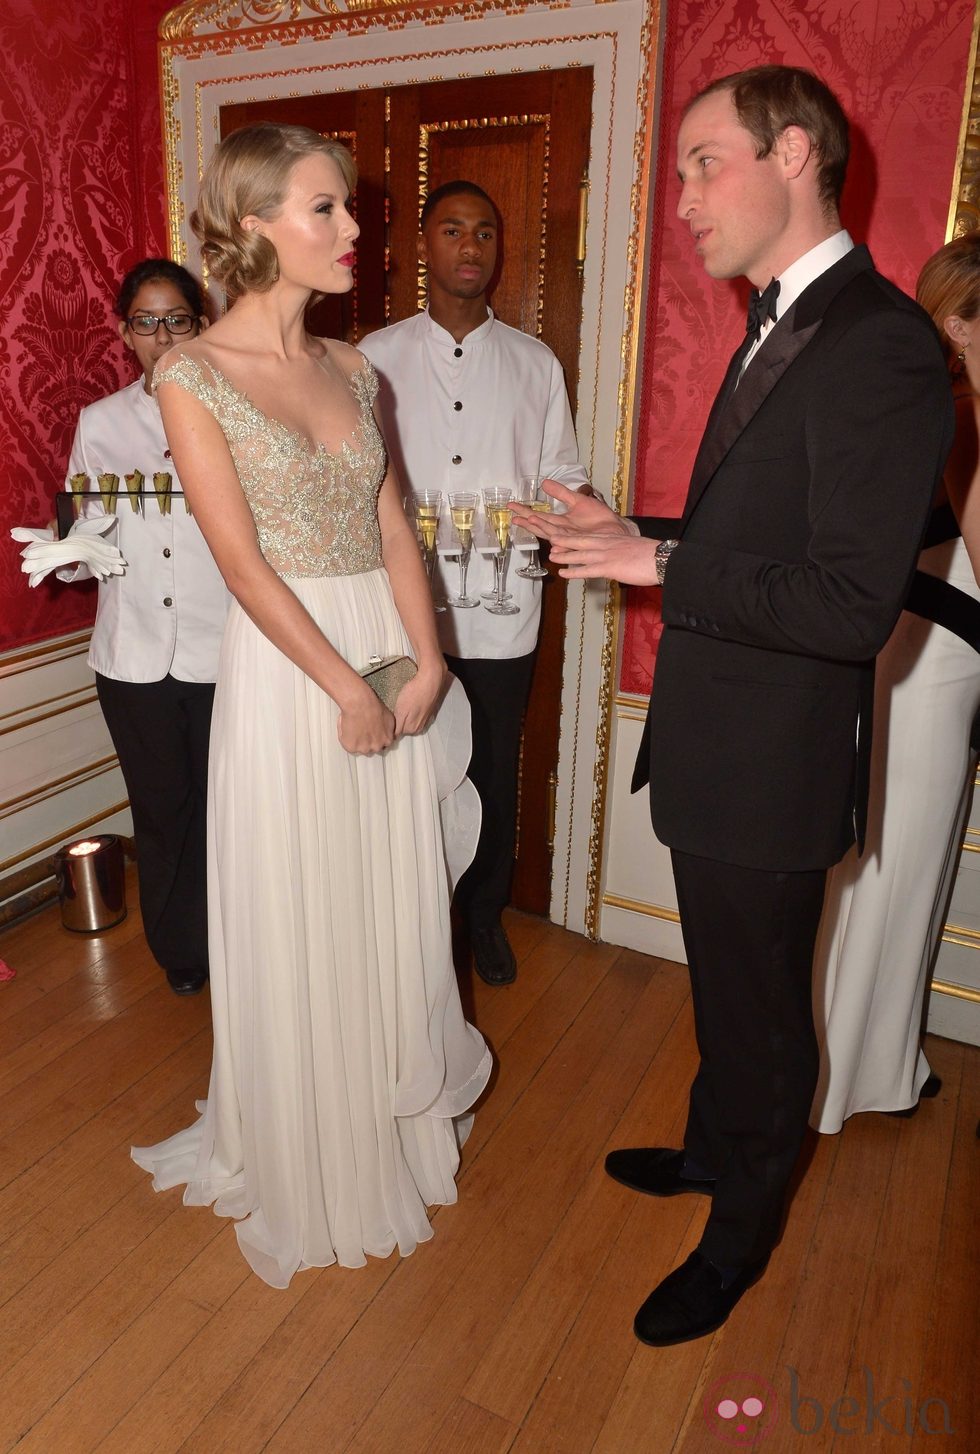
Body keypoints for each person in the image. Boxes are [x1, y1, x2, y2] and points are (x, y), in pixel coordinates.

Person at [513, 65, 953, 1345]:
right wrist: (633, 528)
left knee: (763, 1015)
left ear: (795, 152)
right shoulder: (780, 321)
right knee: (726, 990)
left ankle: (740, 1232)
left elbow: (845, 605)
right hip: (718, 747)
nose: (683, 196)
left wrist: (656, 561)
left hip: (773, 764)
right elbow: (747, 532)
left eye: (704, 161)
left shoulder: (879, 342)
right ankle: (716, 1148)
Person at [130, 123, 491, 1288]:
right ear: (251, 226)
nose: (353, 229)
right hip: (291, 680)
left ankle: (387, 1121)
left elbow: (393, 522)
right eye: (325, 209)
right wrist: (347, 687)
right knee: (299, 896)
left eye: (346, 208)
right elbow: (241, 566)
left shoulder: (353, 367)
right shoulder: (191, 377)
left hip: (385, 648)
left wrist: (426, 662)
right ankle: (302, 1148)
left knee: (385, 898)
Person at [359, 181, 590, 986]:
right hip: (398, 614)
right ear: (424, 245)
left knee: (491, 771)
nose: (468, 246)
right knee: (403, 770)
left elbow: (562, 470)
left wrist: (586, 515)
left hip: (500, 613)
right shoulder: (373, 358)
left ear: (499, 250)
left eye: (484, 233)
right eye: (452, 230)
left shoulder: (535, 364)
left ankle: (481, 918)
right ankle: (407, 923)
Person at [811, 232, 980, 1131]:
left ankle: (880, 1061)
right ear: (961, 324)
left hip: (937, 667)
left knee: (902, 869)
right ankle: (848, 1079)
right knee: (891, 868)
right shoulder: (957, 414)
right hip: (925, 674)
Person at [36, 260, 227, 996]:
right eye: (145, 322)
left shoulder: (235, 413)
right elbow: (83, 544)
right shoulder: (102, 423)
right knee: (161, 809)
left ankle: (241, 938)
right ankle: (182, 950)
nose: (161, 335)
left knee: (229, 806)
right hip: (132, 656)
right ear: (125, 333)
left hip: (225, 648)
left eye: (176, 318)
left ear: (200, 325)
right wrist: (69, 553)